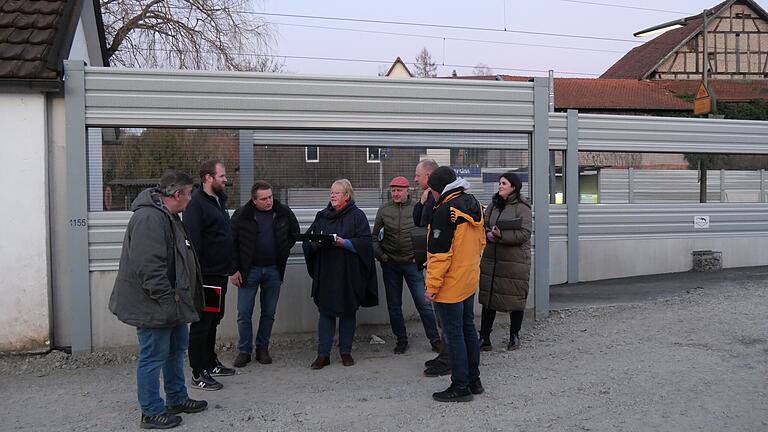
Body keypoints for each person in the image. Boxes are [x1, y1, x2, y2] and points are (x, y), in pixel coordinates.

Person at [108, 171, 207, 429]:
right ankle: (151, 412)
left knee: (175, 351)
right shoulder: (149, 218)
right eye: (189, 194)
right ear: (177, 194)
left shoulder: (169, 216)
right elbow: (148, 267)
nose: (190, 200)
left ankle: (176, 398)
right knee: (153, 356)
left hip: (171, 303)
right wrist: (167, 301)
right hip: (154, 304)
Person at [423, 166, 486, 403]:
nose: (432, 195)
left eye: (432, 191)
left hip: (450, 284)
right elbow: (481, 243)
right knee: (468, 328)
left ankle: (460, 386)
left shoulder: (444, 211)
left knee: (454, 334)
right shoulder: (473, 204)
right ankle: (473, 380)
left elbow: (439, 255)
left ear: (439, 189)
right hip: (468, 278)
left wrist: (431, 286)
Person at [302, 179, 378, 369]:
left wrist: (345, 243)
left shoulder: (357, 216)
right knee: (325, 313)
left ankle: (346, 352)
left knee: (347, 313)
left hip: (348, 273)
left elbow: (365, 243)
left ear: (347, 195)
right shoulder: (322, 216)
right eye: (331, 192)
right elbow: (309, 239)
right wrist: (315, 243)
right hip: (326, 272)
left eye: (337, 193)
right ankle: (323, 355)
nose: (332, 196)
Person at [230, 181, 300, 367]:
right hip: (248, 271)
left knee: (268, 312)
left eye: (270, 197)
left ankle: (263, 348)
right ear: (254, 200)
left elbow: (295, 232)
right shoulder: (242, 215)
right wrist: (234, 269)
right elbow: (231, 243)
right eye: (264, 199)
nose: (269, 201)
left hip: (273, 270)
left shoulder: (282, 212)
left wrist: (282, 251)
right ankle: (244, 351)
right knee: (244, 313)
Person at [372, 176, 441, 355]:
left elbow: (428, 233)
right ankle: (401, 340)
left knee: (424, 303)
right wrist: (382, 256)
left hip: (412, 264)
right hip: (391, 264)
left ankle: (435, 340)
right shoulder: (384, 210)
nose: (395, 193)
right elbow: (373, 237)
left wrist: (421, 257)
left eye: (399, 190)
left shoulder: (418, 208)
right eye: (393, 190)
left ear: (407, 190)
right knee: (394, 306)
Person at [182, 160, 235, 391]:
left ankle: (210, 362)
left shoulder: (218, 202)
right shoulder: (197, 205)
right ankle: (198, 372)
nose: (225, 179)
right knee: (203, 322)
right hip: (207, 276)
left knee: (215, 319)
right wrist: (199, 276)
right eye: (221, 176)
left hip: (220, 273)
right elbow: (194, 242)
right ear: (207, 178)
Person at [478, 172, 532, 352]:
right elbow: (483, 224)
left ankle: (514, 336)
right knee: (489, 297)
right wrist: (487, 234)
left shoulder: (522, 207)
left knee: (515, 298)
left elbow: (525, 234)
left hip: (514, 262)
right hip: (492, 259)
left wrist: (502, 236)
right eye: (500, 183)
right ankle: (484, 338)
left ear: (513, 187)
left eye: (504, 183)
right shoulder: (493, 205)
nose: (500, 186)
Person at [413, 159, 451, 377]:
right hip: (432, 262)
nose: (416, 179)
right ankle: (444, 354)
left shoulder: (443, 202)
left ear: (429, 176)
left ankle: (448, 358)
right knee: (441, 315)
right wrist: (421, 200)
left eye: (418, 175)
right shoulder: (428, 197)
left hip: (441, 265)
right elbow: (418, 220)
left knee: (447, 316)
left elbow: (429, 224)